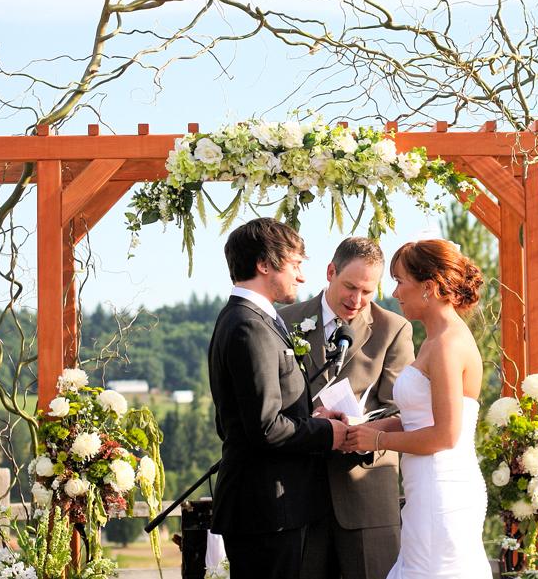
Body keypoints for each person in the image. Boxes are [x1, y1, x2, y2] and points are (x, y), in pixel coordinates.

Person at [208, 218, 349, 579]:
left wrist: (313, 414)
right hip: (264, 507)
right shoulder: (248, 325)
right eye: (296, 264)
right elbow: (265, 427)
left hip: (270, 506)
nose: (302, 276)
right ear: (264, 265)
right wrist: (325, 433)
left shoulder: (252, 319)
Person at [343, 239, 491, 579]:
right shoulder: (436, 340)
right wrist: (364, 428)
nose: (395, 292)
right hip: (426, 487)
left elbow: (444, 435)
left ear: (429, 287)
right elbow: (417, 418)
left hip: (442, 490)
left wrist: (377, 443)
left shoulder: (448, 345)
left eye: (399, 280)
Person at [279, 237, 414, 579]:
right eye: (350, 287)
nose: (357, 300)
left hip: (366, 493)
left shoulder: (393, 329)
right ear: (330, 272)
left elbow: (403, 410)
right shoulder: (284, 321)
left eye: (367, 292)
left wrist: (356, 426)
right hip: (298, 494)